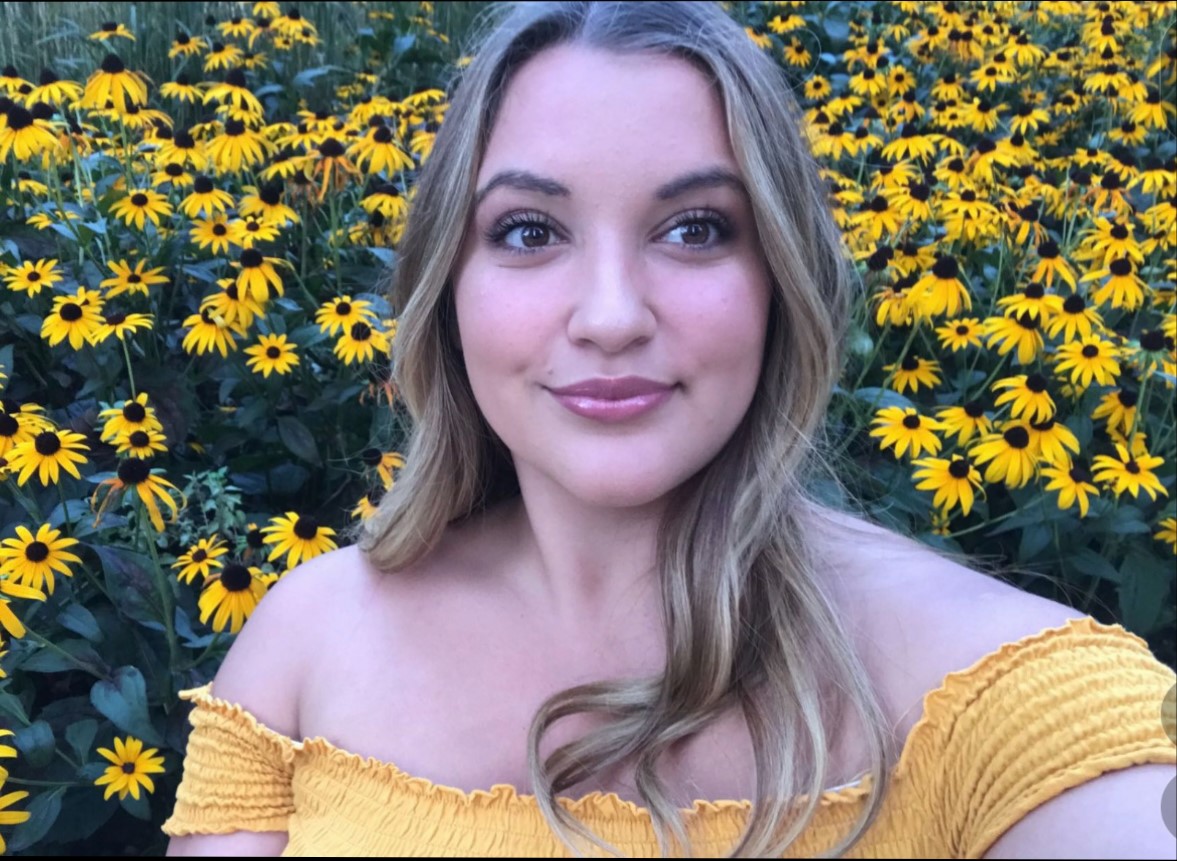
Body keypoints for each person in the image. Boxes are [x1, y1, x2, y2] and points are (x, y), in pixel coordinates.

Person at [163, 2, 1176, 857]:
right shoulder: (304, 643)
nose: (610, 315)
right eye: (528, 231)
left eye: (694, 229)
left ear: (781, 279)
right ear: (444, 289)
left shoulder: (1006, 697)